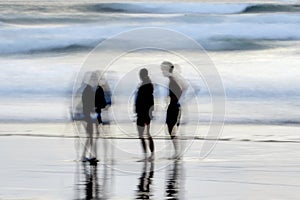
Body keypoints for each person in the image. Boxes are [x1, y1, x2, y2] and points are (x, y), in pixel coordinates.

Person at [160, 61, 185, 159]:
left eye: (162, 70)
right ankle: (176, 152)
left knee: (171, 130)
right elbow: (181, 89)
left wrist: (175, 100)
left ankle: (177, 153)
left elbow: (180, 90)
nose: (162, 72)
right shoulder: (172, 79)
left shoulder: (172, 80)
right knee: (171, 130)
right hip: (174, 106)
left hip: (174, 106)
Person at [135, 68, 155, 161]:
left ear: (142, 75)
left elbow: (142, 100)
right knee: (146, 133)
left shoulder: (144, 86)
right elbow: (151, 101)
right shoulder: (149, 85)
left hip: (142, 113)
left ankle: (147, 155)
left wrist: (138, 110)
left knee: (142, 135)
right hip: (146, 112)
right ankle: (151, 155)